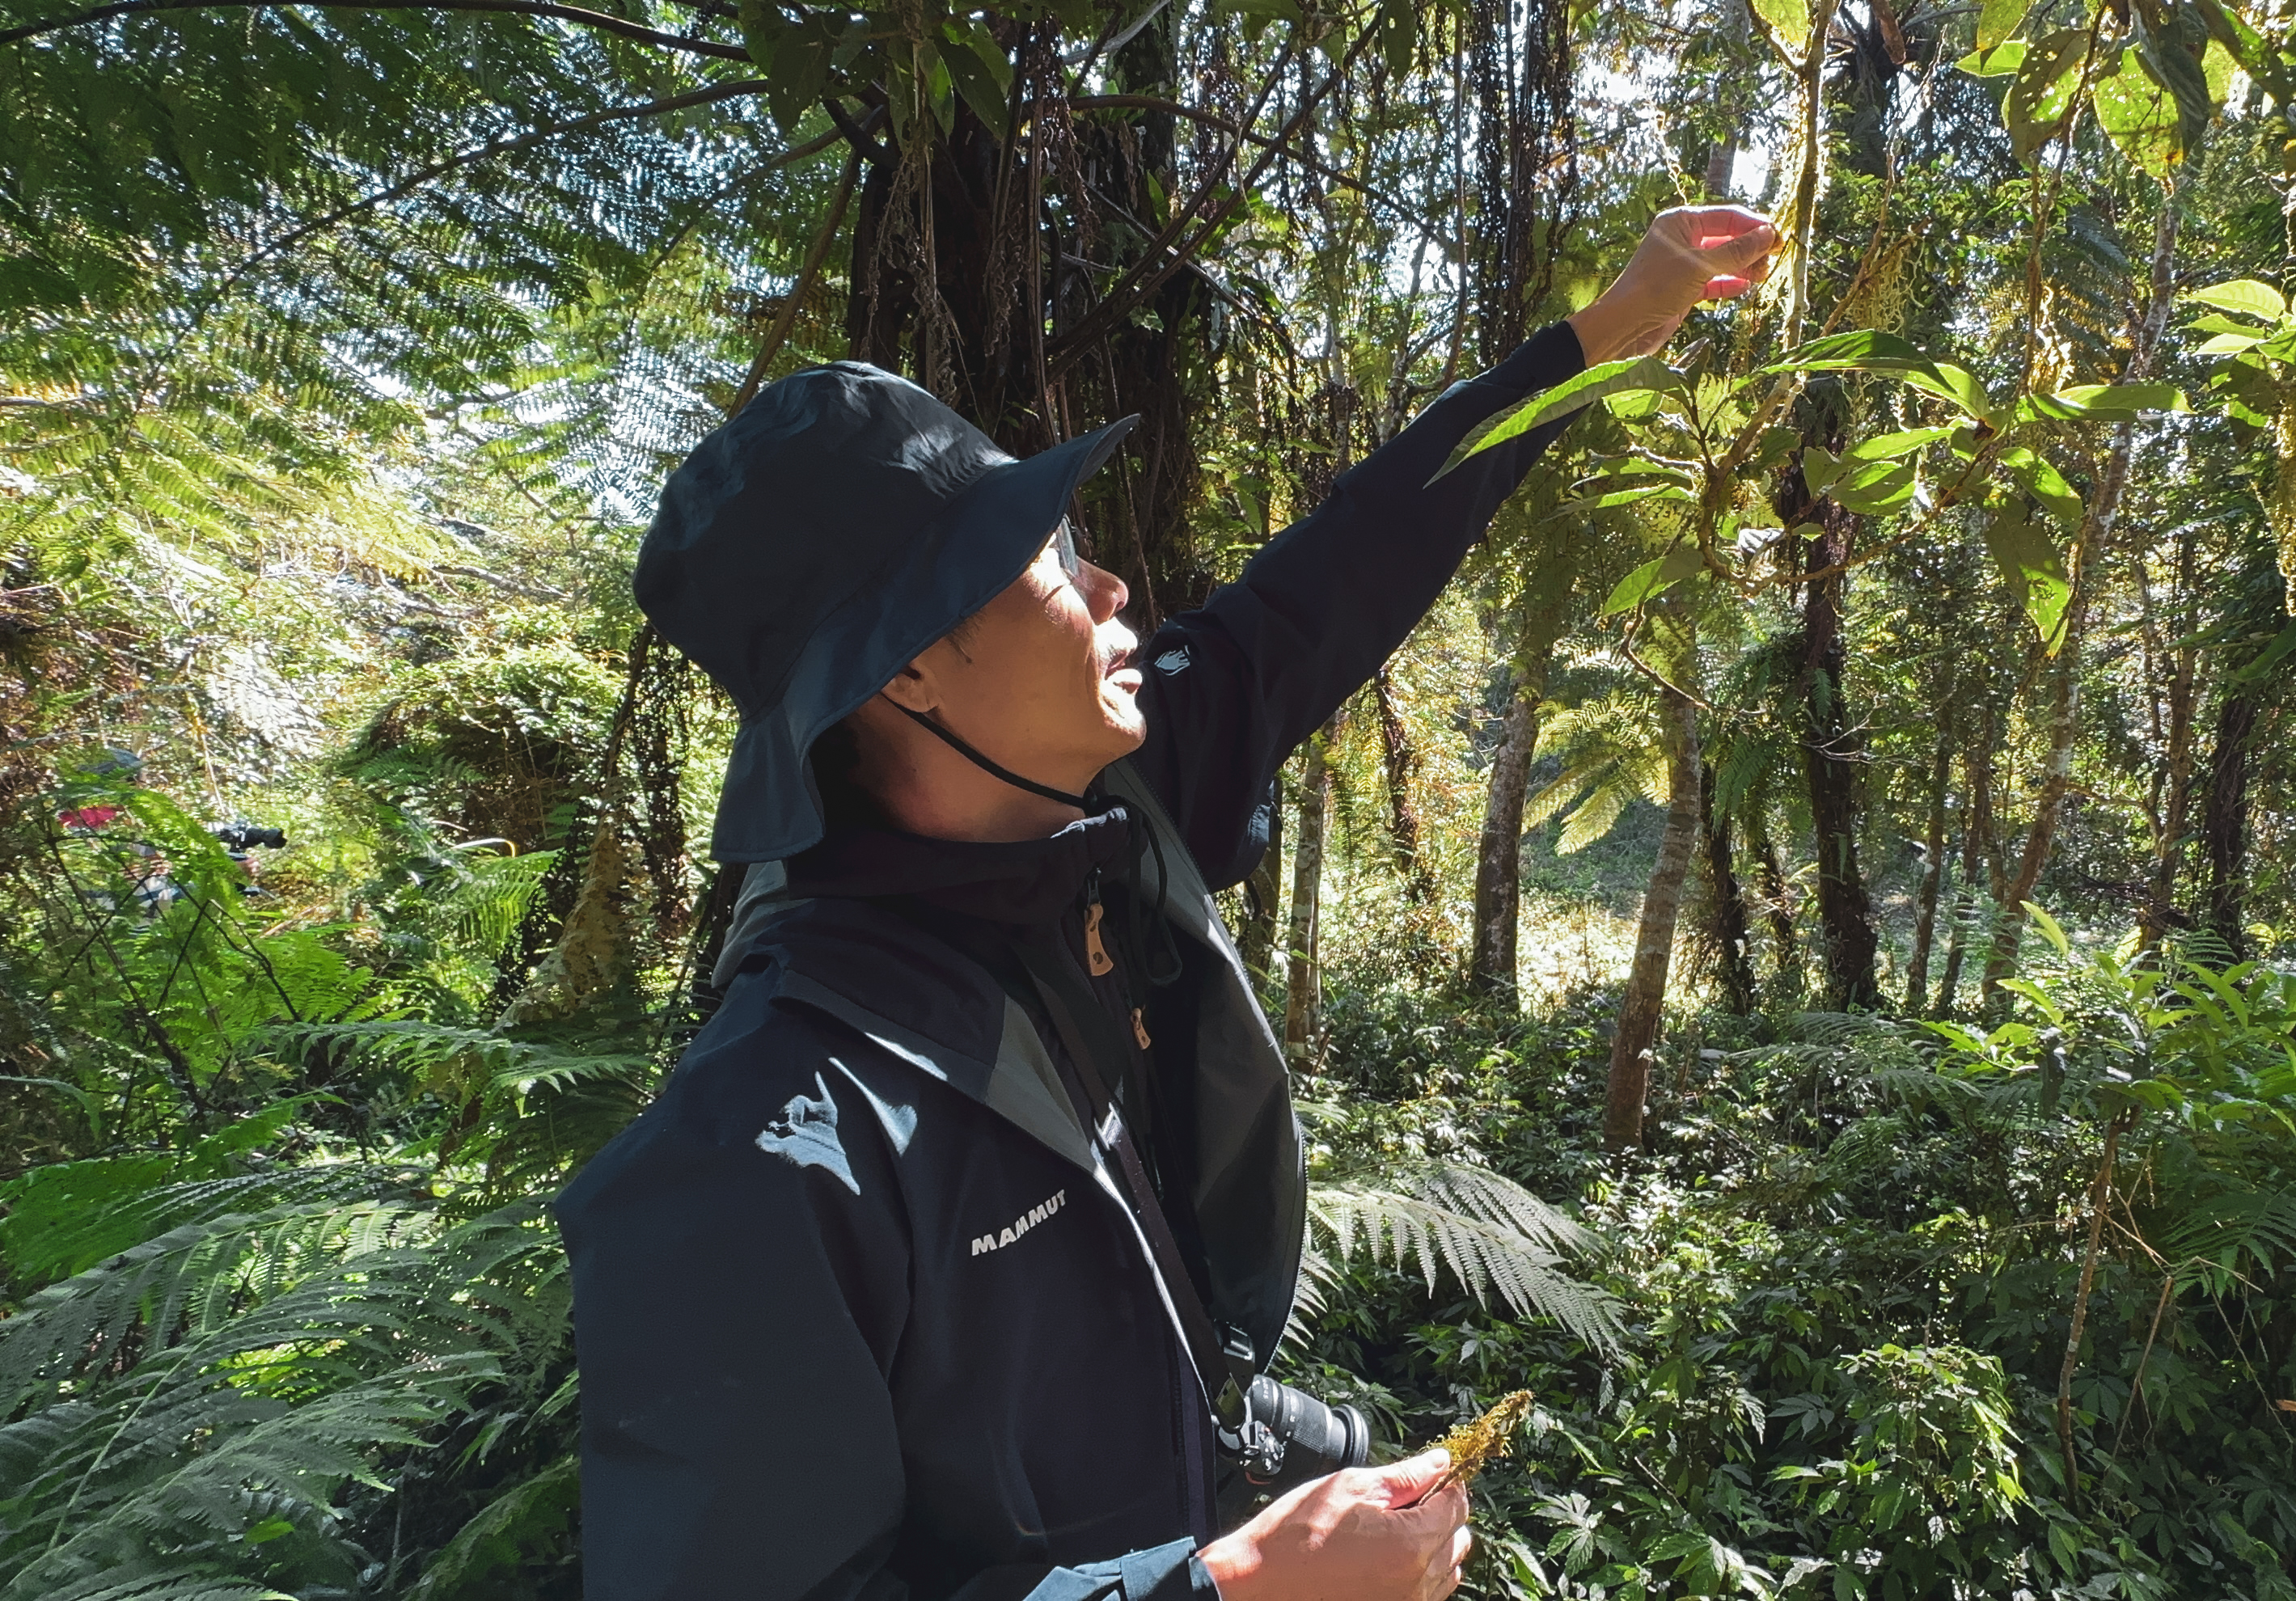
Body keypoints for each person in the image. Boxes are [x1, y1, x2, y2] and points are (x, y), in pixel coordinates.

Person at [556, 202, 1778, 1601]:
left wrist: (1604, 334)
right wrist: (1233, 1592)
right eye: (1048, 561)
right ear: (903, 670)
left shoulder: (1102, 817)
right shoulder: (764, 1153)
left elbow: (1352, 557)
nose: (1113, 579)